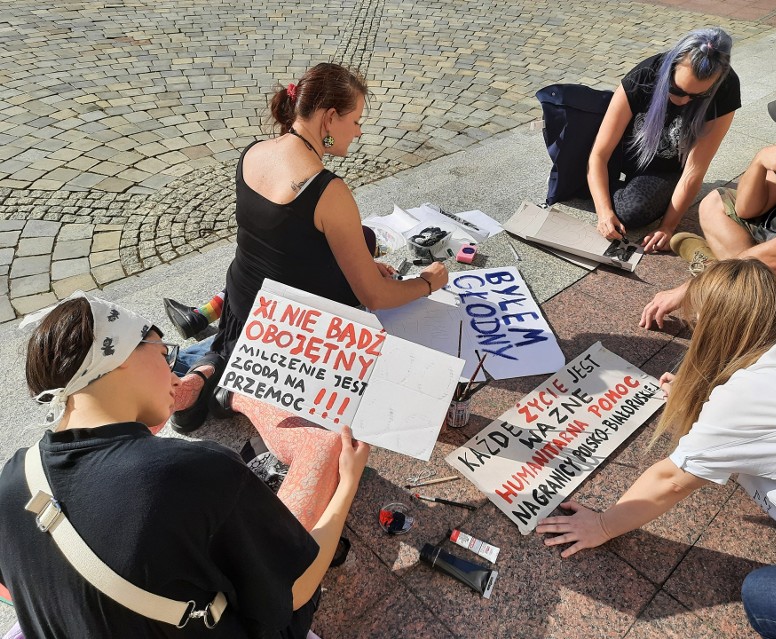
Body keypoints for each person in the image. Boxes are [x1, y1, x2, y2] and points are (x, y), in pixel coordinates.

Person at [171, 63, 448, 531]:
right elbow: (376, 296)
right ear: (328, 118)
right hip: (288, 332)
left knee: (356, 244)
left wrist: (357, 259)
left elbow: (287, 245)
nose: (358, 133)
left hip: (242, 304)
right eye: (355, 120)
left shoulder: (255, 152)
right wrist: (429, 282)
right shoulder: (327, 190)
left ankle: (206, 369)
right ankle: (228, 385)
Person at [0, 292, 370, 638]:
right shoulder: (194, 471)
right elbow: (295, 590)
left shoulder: (13, 479)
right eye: (164, 354)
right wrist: (347, 484)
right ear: (123, 356)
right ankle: (236, 395)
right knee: (319, 452)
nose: (175, 374)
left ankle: (231, 393)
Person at [537, 259, 776, 638]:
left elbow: (670, 480)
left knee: (765, 596)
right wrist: (702, 402)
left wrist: (602, 525)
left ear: (714, 329)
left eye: (696, 324)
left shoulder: (746, 400)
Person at [641, 59, 776, 333]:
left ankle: (721, 280)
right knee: (715, 202)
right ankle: (727, 280)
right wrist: (759, 161)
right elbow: (747, 209)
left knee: (725, 306)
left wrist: (693, 287)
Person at [589, 27, 739, 252]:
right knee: (596, 183)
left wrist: (668, 226)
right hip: (622, 155)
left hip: (663, 169)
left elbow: (694, 170)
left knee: (633, 212)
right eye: (676, 90)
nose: (684, 100)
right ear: (670, 66)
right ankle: (598, 187)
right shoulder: (643, 76)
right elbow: (600, 153)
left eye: (698, 96)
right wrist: (603, 212)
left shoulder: (726, 88)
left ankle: (607, 189)